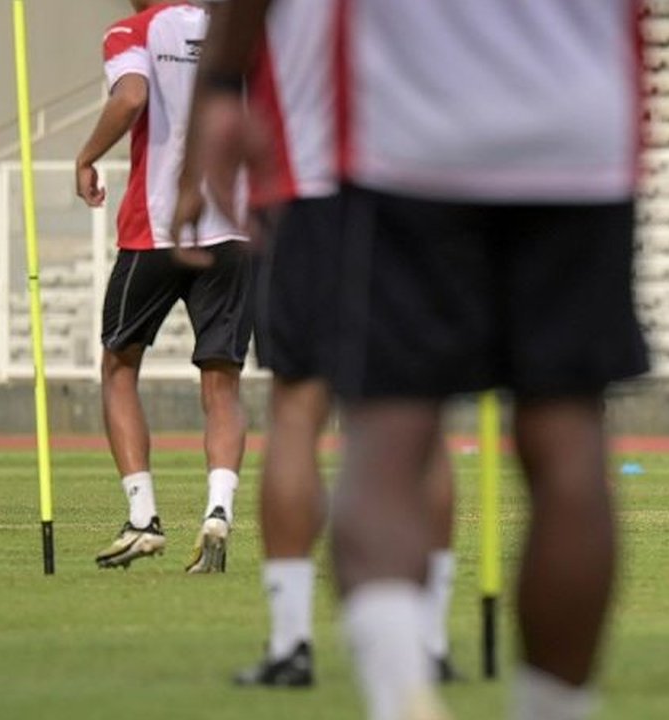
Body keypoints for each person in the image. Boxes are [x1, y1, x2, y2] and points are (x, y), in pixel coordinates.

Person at [190, 1, 669, 718]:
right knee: (569, 444)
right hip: (578, 141)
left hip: (405, 138)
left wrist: (221, 88)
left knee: (387, 438)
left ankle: (401, 697)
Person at [169, 0, 462, 687]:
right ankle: (430, 641)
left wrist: (191, 173)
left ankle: (291, 642)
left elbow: (232, 34)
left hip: (307, 186)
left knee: (298, 409)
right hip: (418, 183)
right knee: (418, 415)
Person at [78, 0, 252, 573]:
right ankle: (218, 512)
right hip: (231, 230)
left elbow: (131, 97)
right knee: (222, 382)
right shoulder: (233, 29)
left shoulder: (132, 30)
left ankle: (143, 519)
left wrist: (86, 157)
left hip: (154, 229)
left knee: (119, 366)